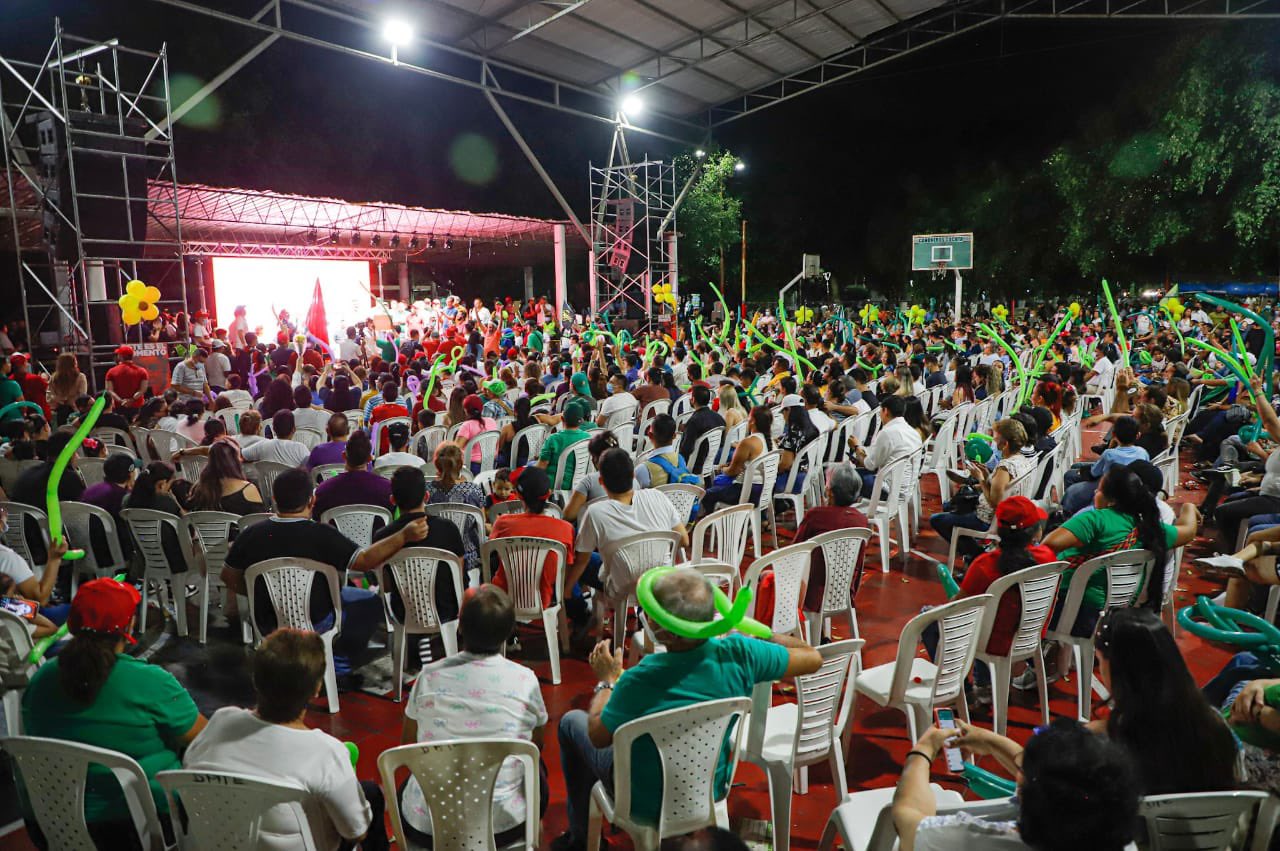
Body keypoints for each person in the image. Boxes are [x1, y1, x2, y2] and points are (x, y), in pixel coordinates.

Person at [553, 567, 823, 851]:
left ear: (666, 631)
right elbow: (812, 657)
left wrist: (607, 683)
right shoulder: (742, 654)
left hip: (642, 801)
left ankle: (580, 839)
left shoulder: (639, 679)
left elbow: (598, 736)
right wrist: (756, 631)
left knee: (571, 722)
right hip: (708, 788)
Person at [21, 578, 206, 846]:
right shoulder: (150, 682)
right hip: (139, 826)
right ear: (129, 627)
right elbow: (204, 738)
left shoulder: (41, 680)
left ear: (71, 623)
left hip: (56, 824)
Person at [183, 629, 385, 851]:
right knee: (370, 794)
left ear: (255, 680)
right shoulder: (327, 753)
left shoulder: (221, 721)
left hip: (220, 842)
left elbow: (189, 763)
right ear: (316, 689)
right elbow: (356, 832)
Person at [223, 468, 426, 679]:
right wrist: (403, 536)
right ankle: (338, 664)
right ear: (312, 501)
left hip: (267, 620)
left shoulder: (251, 535)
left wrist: (266, 597)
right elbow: (364, 562)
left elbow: (228, 577)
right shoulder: (322, 535)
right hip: (317, 618)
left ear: (274, 498)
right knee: (370, 602)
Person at [398, 585, 548, 847]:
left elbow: (409, 746)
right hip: (504, 825)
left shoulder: (428, 676)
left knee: (407, 786)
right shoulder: (526, 680)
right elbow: (536, 745)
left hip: (427, 827)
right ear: (509, 632)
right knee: (539, 773)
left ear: (460, 628)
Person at [890, 719, 1139, 851]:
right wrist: (992, 742)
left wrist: (923, 751)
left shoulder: (972, 840)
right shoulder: (1118, 839)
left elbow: (907, 818)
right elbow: (1051, 778)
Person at [1091, 607, 1238, 794]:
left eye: (1100, 660)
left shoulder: (1105, 744)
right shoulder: (1216, 728)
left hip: (1137, 822)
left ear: (1116, 669)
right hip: (1212, 821)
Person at [567, 448, 688, 597]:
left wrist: (567, 591)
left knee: (572, 557)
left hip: (621, 585)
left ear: (601, 481)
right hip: (660, 579)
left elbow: (581, 561)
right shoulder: (658, 496)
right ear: (633, 476)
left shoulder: (595, 512)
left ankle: (579, 609)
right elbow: (684, 540)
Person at [931, 418, 1037, 562]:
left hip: (988, 520)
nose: (994, 439)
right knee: (954, 508)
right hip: (1013, 514)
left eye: (997, 437)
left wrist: (980, 479)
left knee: (937, 520)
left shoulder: (1005, 467)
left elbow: (995, 503)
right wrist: (987, 475)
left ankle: (976, 555)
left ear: (1005, 444)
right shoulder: (1022, 460)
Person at [490, 466, 575, 608]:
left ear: (518, 495)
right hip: (543, 601)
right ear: (548, 494)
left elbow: (492, 550)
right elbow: (566, 570)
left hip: (503, 599)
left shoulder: (502, 523)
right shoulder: (566, 529)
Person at [793, 465, 870, 615]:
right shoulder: (861, 521)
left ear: (830, 492)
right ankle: (823, 634)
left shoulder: (816, 516)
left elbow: (795, 551)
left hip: (812, 591)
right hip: (843, 590)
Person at [699, 405, 772, 517]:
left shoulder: (749, 442)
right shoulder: (771, 442)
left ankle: (713, 525)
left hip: (746, 492)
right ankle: (761, 519)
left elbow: (733, 471)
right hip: (763, 491)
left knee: (707, 494)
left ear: (752, 421)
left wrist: (722, 469)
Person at [849, 394, 923, 496]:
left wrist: (857, 447)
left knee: (848, 478)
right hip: (907, 487)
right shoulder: (913, 432)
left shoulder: (887, 432)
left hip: (889, 489)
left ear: (885, 411)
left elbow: (869, 465)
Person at [312, 430, 392, 518]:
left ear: (344, 456)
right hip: (377, 532)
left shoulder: (323, 490)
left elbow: (316, 517)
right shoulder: (388, 489)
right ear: (369, 459)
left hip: (335, 532)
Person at [185, 438, 267, 515]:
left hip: (205, 530)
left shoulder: (198, 489)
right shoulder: (247, 489)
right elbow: (259, 521)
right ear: (235, 460)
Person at [537, 399, 591, 489]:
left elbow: (541, 466)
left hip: (553, 485)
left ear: (562, 419)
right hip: (579, 485)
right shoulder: (588, 438)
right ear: (581, 421)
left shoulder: (553, 439)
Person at [454, 394, 498, 473]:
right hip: (492, 464)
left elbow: (455, 449)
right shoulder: (492, 421)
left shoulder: (467, 425)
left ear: (465, 410)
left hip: (472, 467)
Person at [47, 352, 87, 425]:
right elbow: (83, 396)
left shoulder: (54, 378)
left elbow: (49, 396)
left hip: (59, 410)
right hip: (75, 411)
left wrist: (60, 400)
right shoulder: (81, 377)